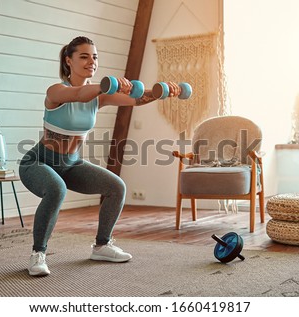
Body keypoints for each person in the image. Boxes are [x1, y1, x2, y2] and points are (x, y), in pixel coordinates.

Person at [19, 36, 181, 276]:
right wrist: (109, 85)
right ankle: (38, 254)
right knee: (56, 190)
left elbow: (136, 99)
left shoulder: (100, 95)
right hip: (39, 162)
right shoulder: (56, 91)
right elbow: (80, 94)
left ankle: (102, 245)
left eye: (94, 57)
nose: (91, 61)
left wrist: (161, 91)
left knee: (116, 186)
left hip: (71, 164)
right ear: (68, 61)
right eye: (84, 56)